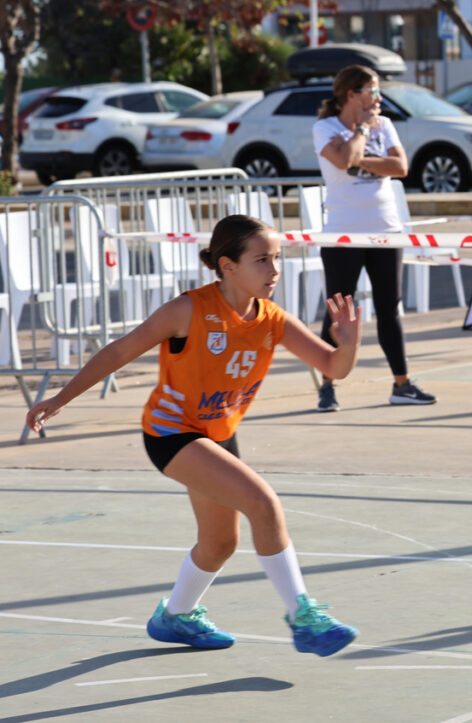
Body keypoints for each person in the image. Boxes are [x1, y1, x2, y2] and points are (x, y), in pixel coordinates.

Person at [26, 215, 363, 657]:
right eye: (261, 260)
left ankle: (176, 616)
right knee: (264, 504)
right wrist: (61, 398)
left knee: (221, 542)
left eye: (277, 258)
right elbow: (119, 350)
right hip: (171, 432)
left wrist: (350, 343)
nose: (274, 270)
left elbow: (334, 368)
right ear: (227, 266)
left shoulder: (273, 319)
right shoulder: (189, 310)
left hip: (217, 434)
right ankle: (304, 617)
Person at [312, 64, 436, 411]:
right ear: (353, 94)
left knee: (389, 307)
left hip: (385, 229)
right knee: (339, 309)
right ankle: (327, 386)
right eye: (373, 90)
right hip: (343, 233)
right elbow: (341, 162)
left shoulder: (387, 125)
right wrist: (363, 133)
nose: (379, 97)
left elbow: (400, 168)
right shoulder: (326, 127)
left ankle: (402, 384)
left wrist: (359, 160)